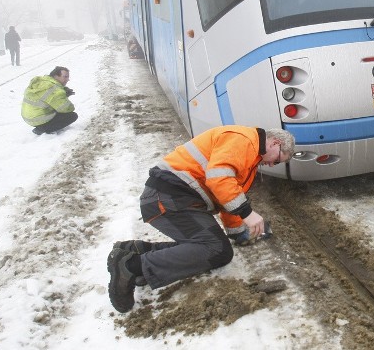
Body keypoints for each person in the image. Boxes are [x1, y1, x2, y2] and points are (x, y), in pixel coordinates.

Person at [107, 125, 296, 313]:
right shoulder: (245, 140)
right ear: (275, 143)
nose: (272, 165)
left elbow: (228, 197)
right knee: (216, 249)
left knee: (217, 247)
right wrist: (247, 213)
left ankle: (139, 251)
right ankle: (131, 266)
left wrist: (238, 233)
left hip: (179, 198)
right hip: (168, 196)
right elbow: (220, 179)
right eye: (277, 160)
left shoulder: (251, 158)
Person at [21, 66, 78, 135]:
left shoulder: (42, 81)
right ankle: (43, 129)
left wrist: (64, 92)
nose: (68, 79)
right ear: (56, 76)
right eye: (65, 77)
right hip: (38, 119)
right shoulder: (55, 90)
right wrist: (64, 96)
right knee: (72, 116)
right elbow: (67, 108)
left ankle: (41, 126)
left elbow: (47, 96)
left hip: (28, 117)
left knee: (56, 107)